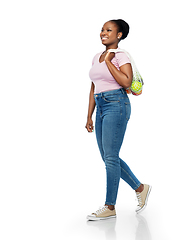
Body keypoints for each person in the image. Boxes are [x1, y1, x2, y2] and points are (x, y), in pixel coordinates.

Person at [85, 19, 151, 221]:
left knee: (111, 157)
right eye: (102, 29)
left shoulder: (121, 56)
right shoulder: (97, 56)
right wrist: (89, 114)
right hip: (101, 105)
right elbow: (94, 86)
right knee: (108, 157)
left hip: (117, 104)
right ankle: (141, 188)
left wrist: (108, 62)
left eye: (109, 30)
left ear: (119, 35)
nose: (103, 32)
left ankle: (110, 206)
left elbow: (126, 81)